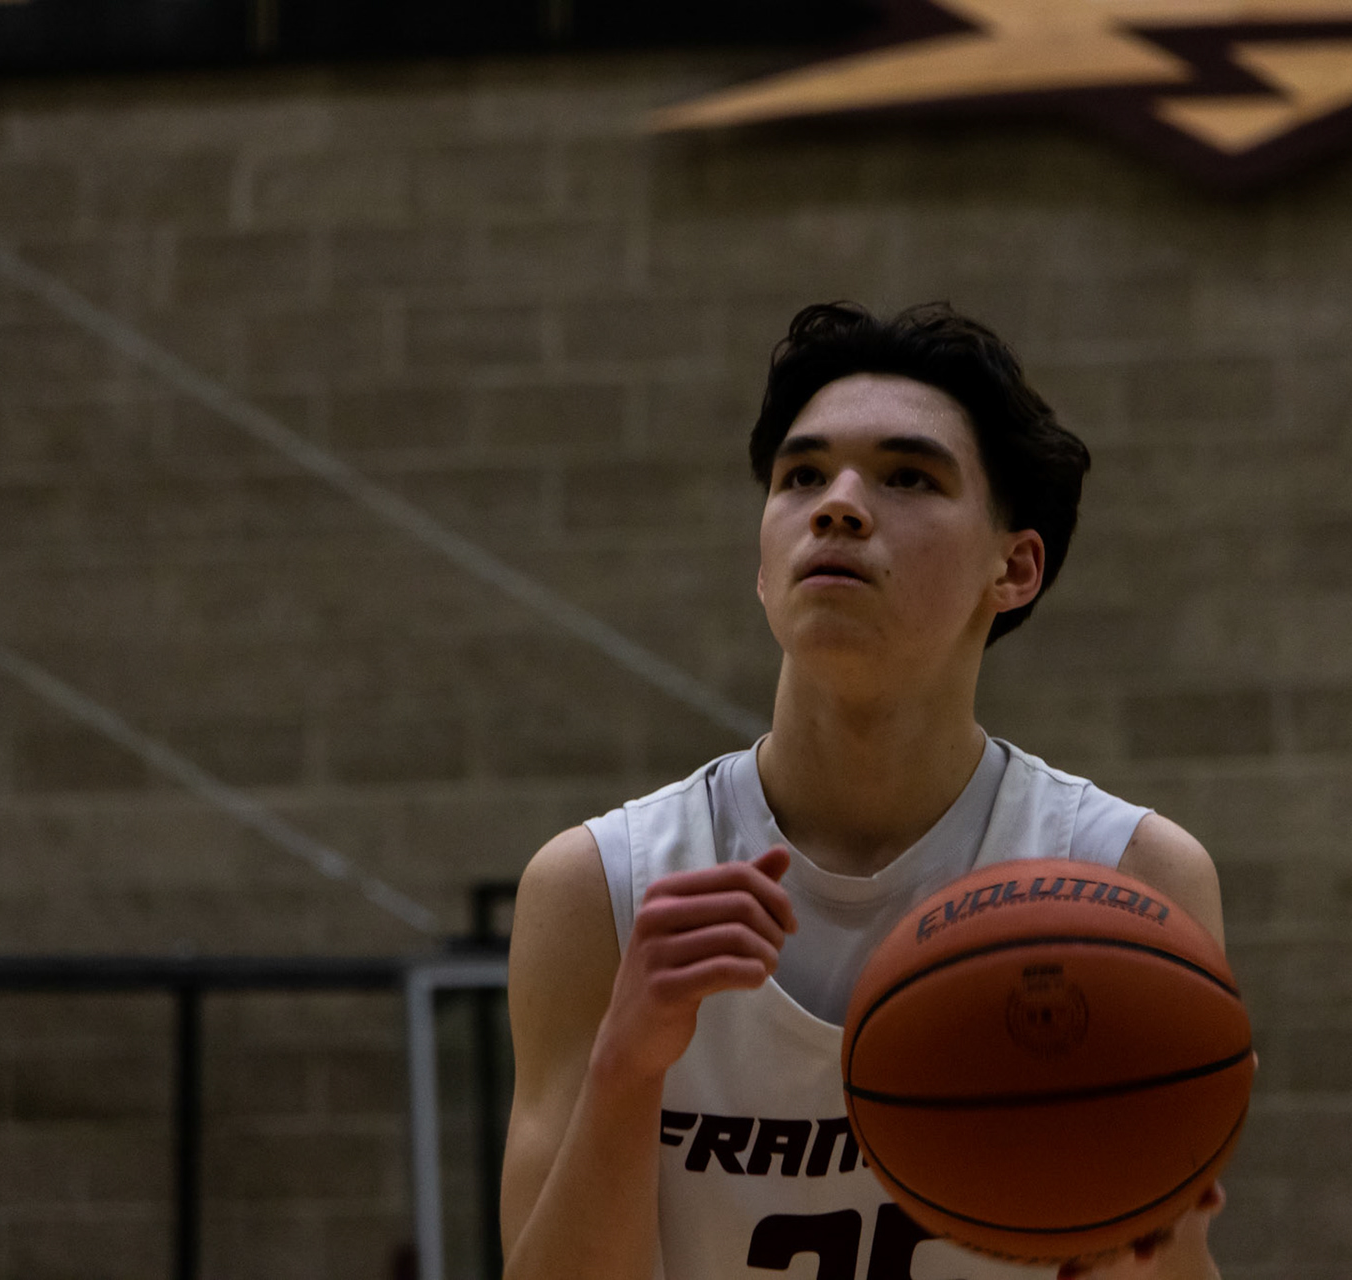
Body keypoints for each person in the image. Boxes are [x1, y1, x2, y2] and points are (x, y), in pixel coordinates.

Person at [500, 302, 1231, 1280]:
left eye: (908, 476)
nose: (837, 505)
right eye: (802, 476)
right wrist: (625, 1065)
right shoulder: (598, 888)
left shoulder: (1128, 875)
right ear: (763, 566)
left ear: (1014, 567)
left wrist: (1158, 1238)